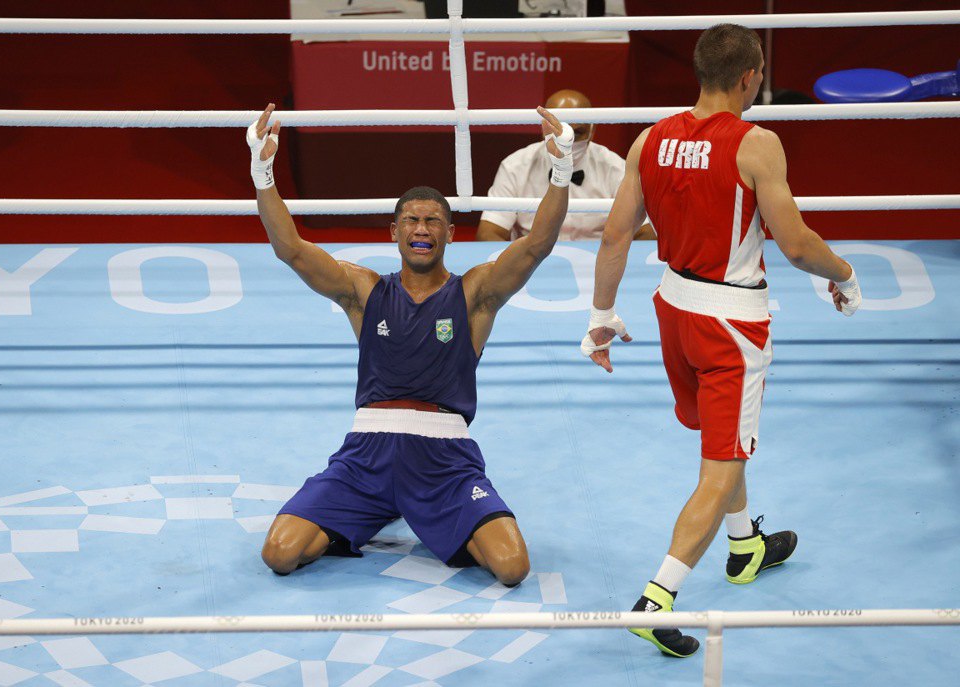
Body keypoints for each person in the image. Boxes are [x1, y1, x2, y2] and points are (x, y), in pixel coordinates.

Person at [581, 24, 863, 657]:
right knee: (722, 464)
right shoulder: (757, 144)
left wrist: (600, 315)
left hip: (673, 312)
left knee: (722, 440)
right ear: (748, 77)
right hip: (731, 326)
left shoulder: (649, 140)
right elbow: (793, 245)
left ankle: (745, 548)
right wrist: (844, 274)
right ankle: (657, 599)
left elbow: (614, 236)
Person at [248, 102, 574, 585]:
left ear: (449, 233)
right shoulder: (363, 292)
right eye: (412, 221)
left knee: (512, 568)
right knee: (280, 553)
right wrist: (263, 169)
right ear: (395, 232)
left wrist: (561, 167)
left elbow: (535, 246)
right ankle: (378, 510)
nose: (422, 229)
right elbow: (290, 248)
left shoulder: (473, 293)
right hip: (365, 457)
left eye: (433, 221)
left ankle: (425, 513)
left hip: (446, 464)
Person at [477, 88, 656, 242]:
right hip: (530, 263)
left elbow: (646, 233)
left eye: (577, 133)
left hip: (596, 263)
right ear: (544, 128)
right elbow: (488, 233)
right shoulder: (515, 166)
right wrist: (517, 265)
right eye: (559, 131)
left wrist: (612, 258)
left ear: (593, 130)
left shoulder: (616, 168)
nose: (567, 141)